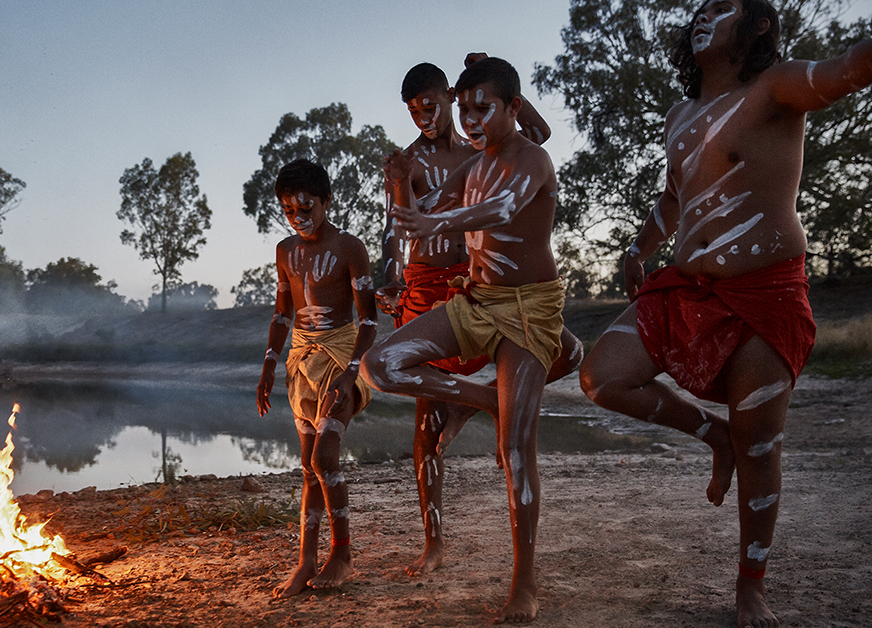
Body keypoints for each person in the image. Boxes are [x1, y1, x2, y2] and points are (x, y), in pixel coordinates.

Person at [577, 2, 871, 626]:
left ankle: (750, 586)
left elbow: (849, 69)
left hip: (765, 292)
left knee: (761, 442)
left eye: (722, 6)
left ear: (758, 24)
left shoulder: (777, 85)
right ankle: (714, 438)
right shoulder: (679, 115)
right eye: (699, 8)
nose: (703, 15)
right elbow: (673, 198)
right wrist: (636, 247)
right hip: (687, 289)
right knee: (601, 376)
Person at [362, 57, 566, 624]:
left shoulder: (511, 154)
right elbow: (407, 219)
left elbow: (513, 184)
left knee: (519, 440)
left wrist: (485, 80)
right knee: (396, 384)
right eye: (415, 110)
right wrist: (390, 267)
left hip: (520, 300)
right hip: (456, 293)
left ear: (449, 96)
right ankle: (478, 405)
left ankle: (524, 581)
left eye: (440, 104)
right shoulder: (435, 163)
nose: (431, 116)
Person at [257, 158, 379, 598]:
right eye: (289, 211)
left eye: (306, 207)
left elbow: (369, 321)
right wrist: (270, 363)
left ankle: (342, 555)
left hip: (342, 356)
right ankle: (306, 559)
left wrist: (350, 375)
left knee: (325, 458)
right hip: (300, 362)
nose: (298, 218)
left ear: (326, 201)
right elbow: (282, 311)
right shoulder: (284, 250)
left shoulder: (350, 247)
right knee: (308, 468)